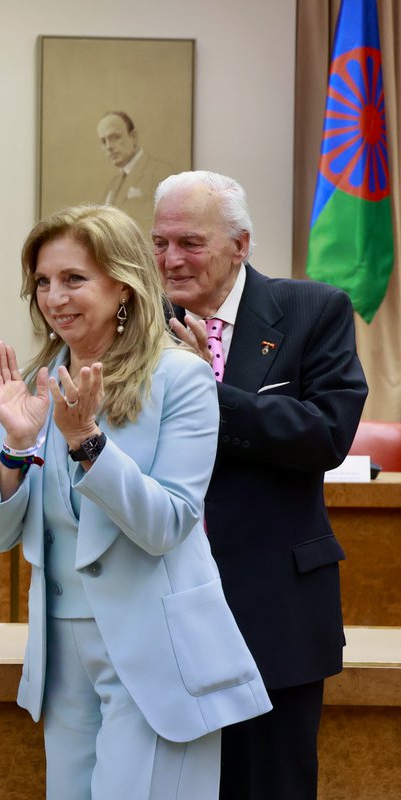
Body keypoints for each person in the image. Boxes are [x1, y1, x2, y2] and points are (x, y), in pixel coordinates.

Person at [0, 204, 270, 799]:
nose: (55, 297)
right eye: (44, 283)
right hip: (62, 653)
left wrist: (88, 443)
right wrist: (18, 447)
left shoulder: (181, 378)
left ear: (123, 284)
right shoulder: (37, 383)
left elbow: (167, 524)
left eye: (74, 279)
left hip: (156, 651)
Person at [151, 171, 368, 800]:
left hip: (274, 610)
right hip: (163, 606)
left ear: (240, 244)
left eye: (190, 242)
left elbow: (326, 436)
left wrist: (206, 393)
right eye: (160, 242)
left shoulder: (312, 310)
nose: (170, 259)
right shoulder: (138, 321)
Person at [95, 111, 174, 232]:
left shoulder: (160, 172)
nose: (108, 147)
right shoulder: (112, 186)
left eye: (115, 137)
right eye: (103, 141)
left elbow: (171, 226)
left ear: (134, 138)